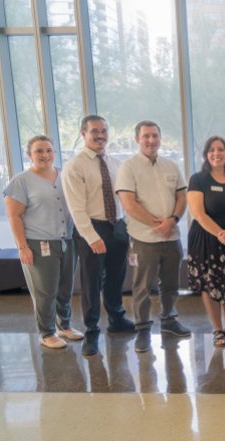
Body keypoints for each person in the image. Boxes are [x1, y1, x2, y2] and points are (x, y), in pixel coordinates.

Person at [115, 121, 191, 353]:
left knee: (170, 284)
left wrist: (173, 221)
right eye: (146, 136)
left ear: (160, 138)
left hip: (171, 238)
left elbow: (181, 197)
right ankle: (143, 329)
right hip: (143, 239)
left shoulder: (171, 166)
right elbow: (128, 203)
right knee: (142, 286)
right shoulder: (128, 167)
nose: (151, 140)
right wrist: (157, 224)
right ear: (137, 138)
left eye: (155, 136)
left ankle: (168, 320)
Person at [62, 115, 135, 356]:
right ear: (83, 133)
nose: (100, 135)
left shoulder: (115, 163)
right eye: (95, 131)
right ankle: (91, 331)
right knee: (91, 281)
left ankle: (116, 319)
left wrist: (127, 228)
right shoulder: (75, 166)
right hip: (91, 228)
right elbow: (76, 207)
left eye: (104, 131)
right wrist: (91, 236)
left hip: (117, 226)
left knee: (116, 276)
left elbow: (122, 198)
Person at [4, 135, 83, 349]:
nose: (45, 155)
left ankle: (64, 326)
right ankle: (46, 332)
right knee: (45, 290)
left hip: (67, 240)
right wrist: (23, 247)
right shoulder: (21, 181)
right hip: (39, 243)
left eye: (49, 150)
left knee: (65, 288)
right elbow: (14, 216)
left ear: (55, 153)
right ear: (29, 154)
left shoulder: (64, 176)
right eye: (39, 151)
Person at [187, 136, 225, 348]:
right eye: (212, 149)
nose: (216, 153)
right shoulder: (198, 179)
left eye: (221, 149)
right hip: (207, 239)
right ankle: (217, 331)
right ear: (206, 154)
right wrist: (222, 235)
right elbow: (198, 214)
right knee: (211, 284)